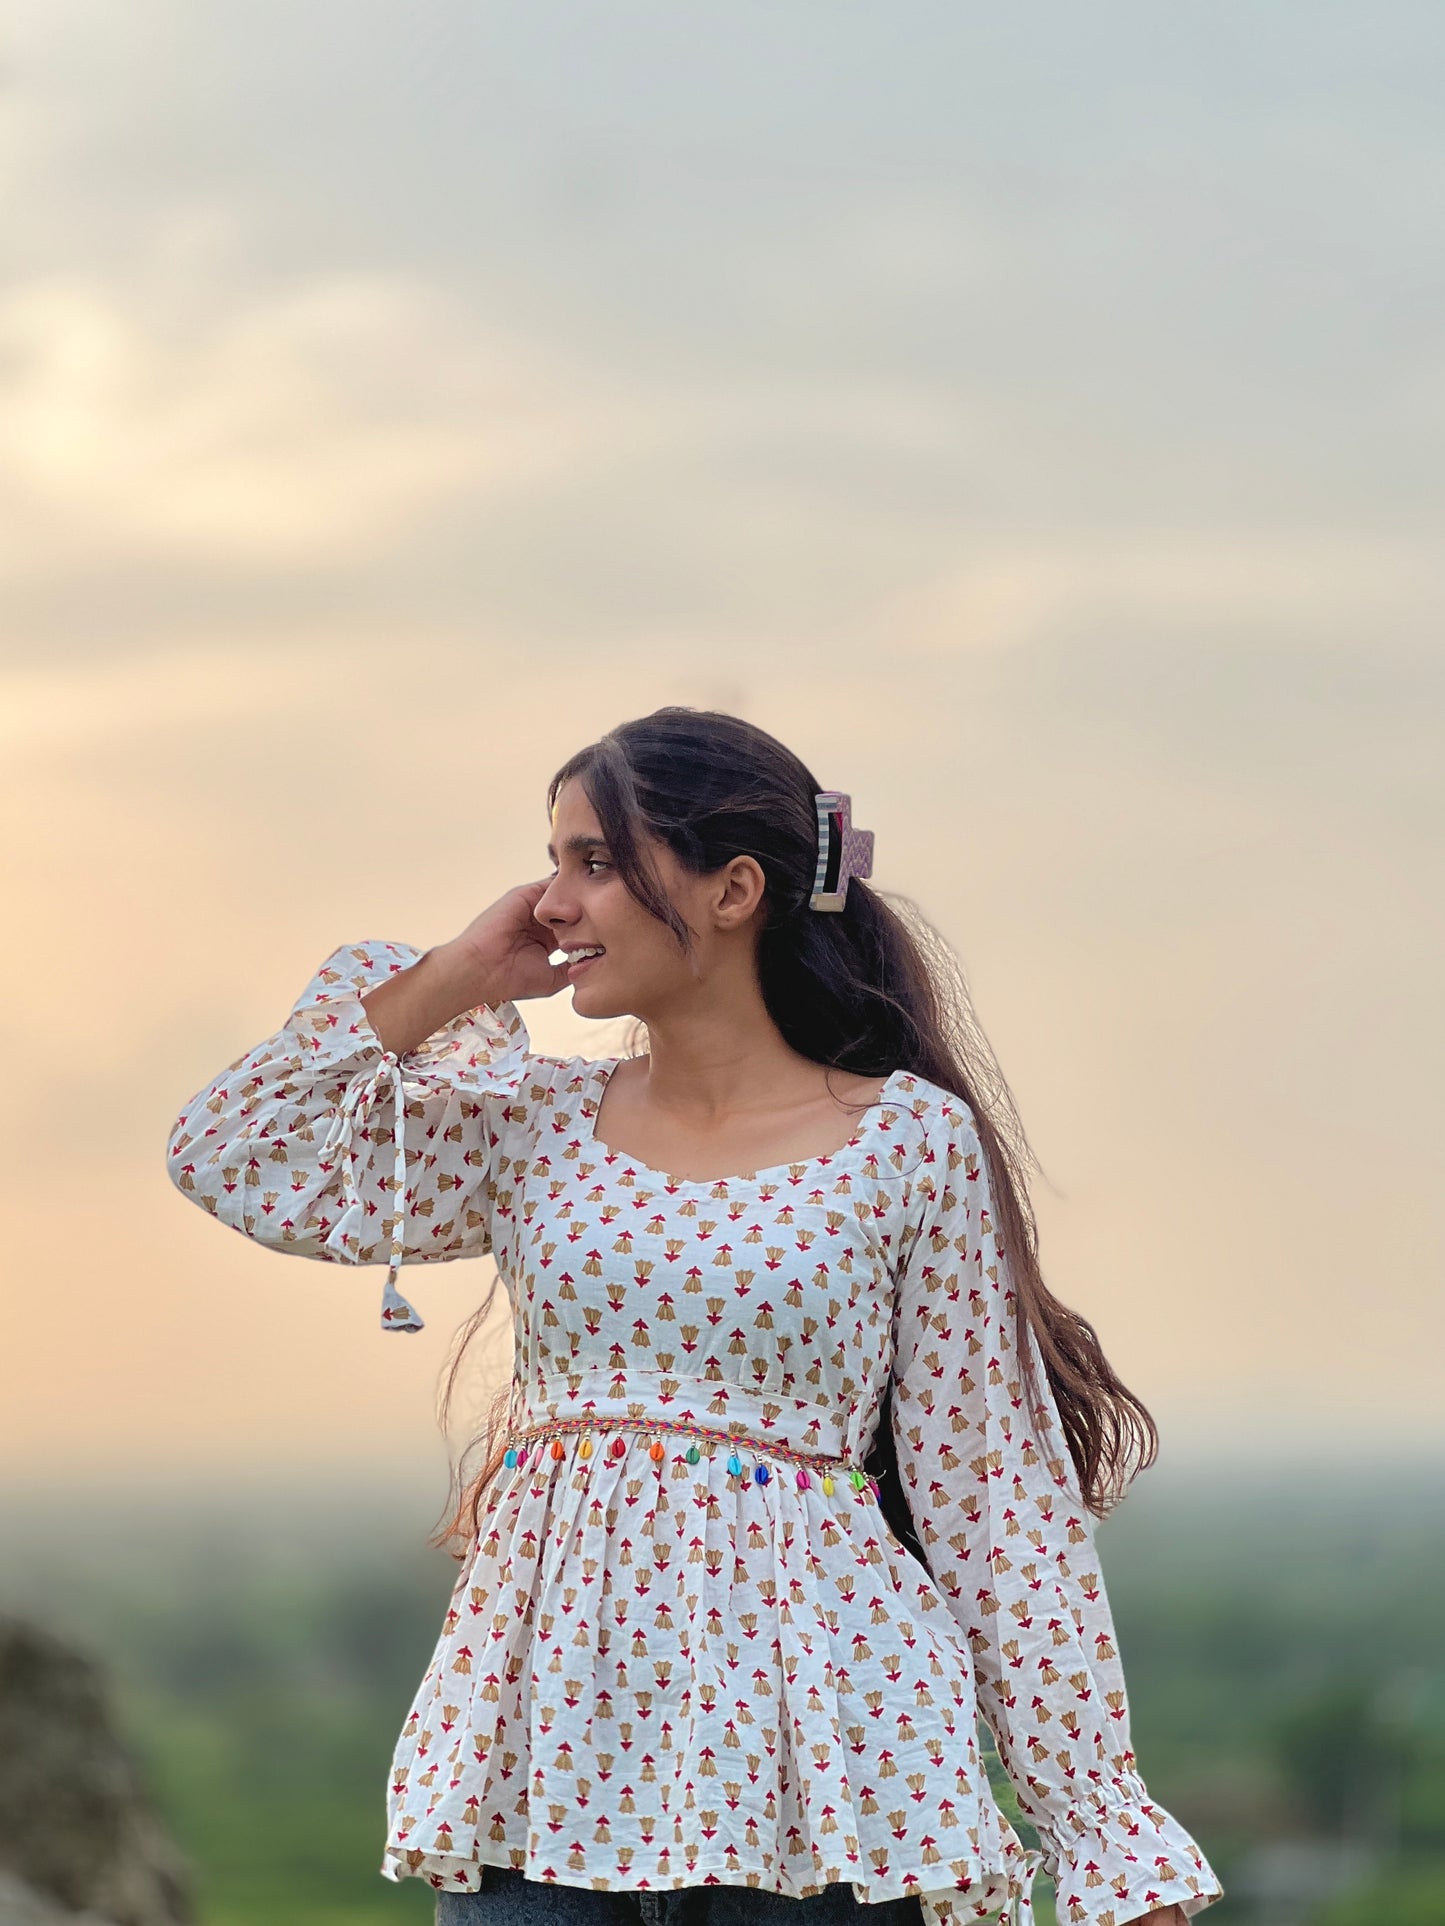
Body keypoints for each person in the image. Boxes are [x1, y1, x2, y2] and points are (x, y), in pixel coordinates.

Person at [165, 708, 1223, 1926]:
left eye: (594, 861)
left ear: (733, 891)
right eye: (553, 858)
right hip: (545, 1754)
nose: (549, 900)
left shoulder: (905, 1143)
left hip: (829, 1772)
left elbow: (990, 1499)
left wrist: (1098, 1831)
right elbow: (233, 1153)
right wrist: (456, 974)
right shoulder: (532, 1123)